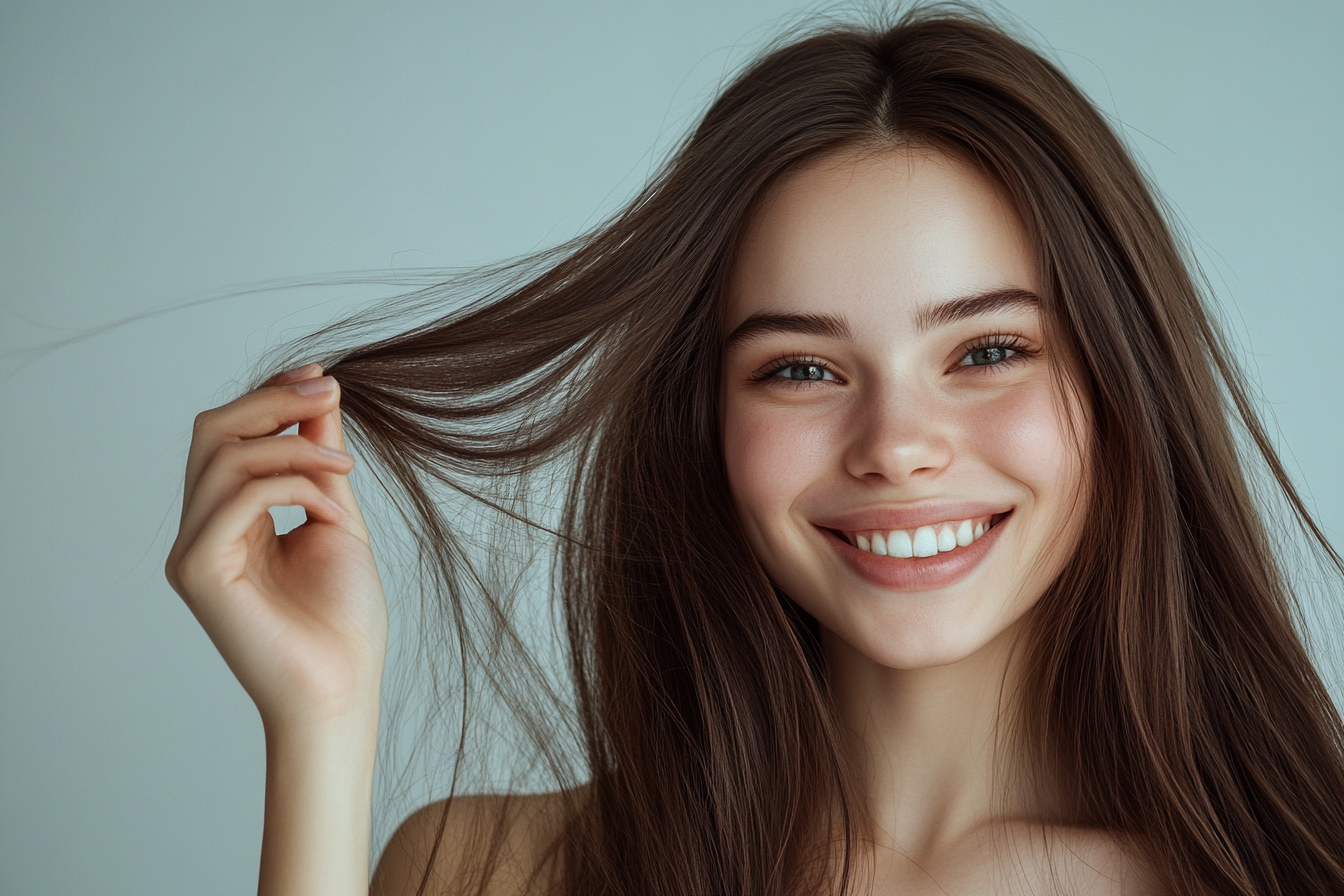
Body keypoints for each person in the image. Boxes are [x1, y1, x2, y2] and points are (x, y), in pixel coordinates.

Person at [165, 6, 1344, 895]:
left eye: (987, 350)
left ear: (1122, 385)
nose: (896, 446)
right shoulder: (491, 866)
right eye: (802, 368)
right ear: (705, 425)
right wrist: (319, 722)